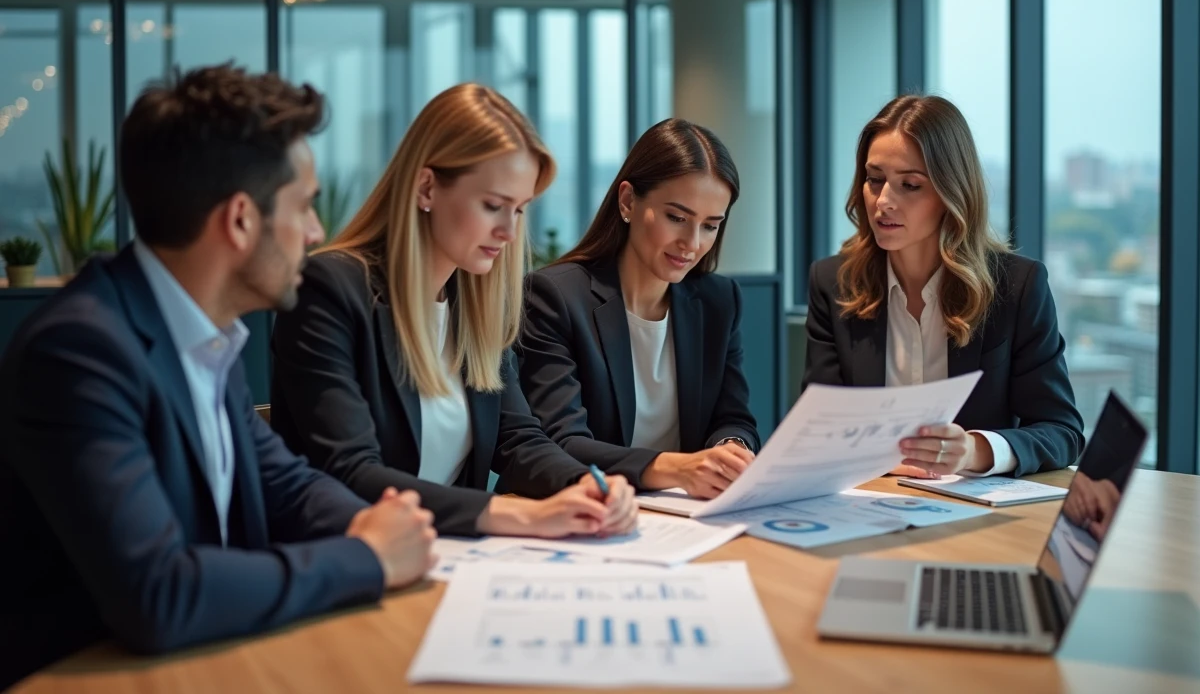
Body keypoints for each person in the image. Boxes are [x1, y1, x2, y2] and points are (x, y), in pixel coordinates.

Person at [0, 65, 435, 689]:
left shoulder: (208, 336)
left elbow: (286, 486)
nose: (316, 233)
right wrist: (365, 557)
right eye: (305, 206)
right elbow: (159, 594)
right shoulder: (79, 353)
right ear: (239, 221)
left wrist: (379, 523)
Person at [269, 83, 637, 538]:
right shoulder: (330, 291)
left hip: (454, 562)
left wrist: (586, 484)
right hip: (354, 564)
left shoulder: (475, 301)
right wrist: (520, 516)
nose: (508, 231)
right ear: (427, 187)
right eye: (493, 206)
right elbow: (351, 472)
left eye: (520, 210)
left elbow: (517, 438)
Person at [803, 94, 1085, 478]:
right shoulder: (833, 283)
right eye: (874, 179)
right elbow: (818, 429)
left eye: (910, 185)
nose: (883, 201)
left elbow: (1062, 432)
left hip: (972, 516)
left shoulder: (1017, 287)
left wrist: (975, 449)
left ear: (951, 193)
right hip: (869, 505)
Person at [517, 118, 759, 500]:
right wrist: (676, 467)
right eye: (676, 218)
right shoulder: (556, 297)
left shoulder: (718, 301)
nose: (691, 243)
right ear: (628, 200)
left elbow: (733, 417)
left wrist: (733, 449)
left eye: (710, 226)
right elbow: (560, 442)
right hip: (589, 510)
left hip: (685, 518)